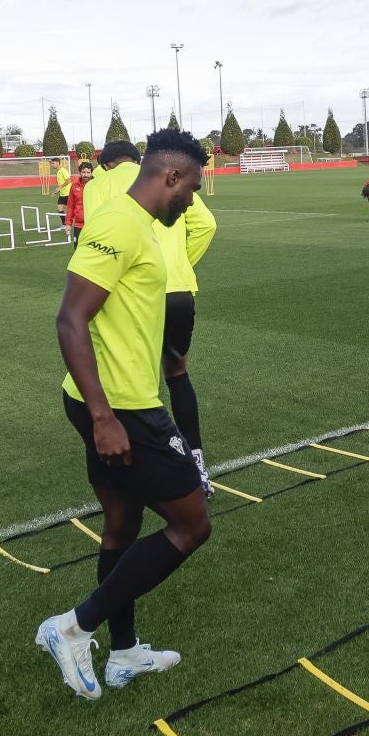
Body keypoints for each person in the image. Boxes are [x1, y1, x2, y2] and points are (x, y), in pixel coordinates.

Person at [35, 129, 215, 700]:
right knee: (192, 523)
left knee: (122, 525)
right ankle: (73, 628)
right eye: (192, 187)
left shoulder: (141, 226)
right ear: (171, 177)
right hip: (119, 407)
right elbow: (70, 318)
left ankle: (125, 652)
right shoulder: (116, 222)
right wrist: (103, 416)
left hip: (122, 398)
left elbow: (125, 311)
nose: (192, 200)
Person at [151, 167, 218, 492]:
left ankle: (151, 465)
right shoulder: (173, 185)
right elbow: (206, 224)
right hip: (180, 292)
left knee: (141, 382)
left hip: (143, 292)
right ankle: (198, 467)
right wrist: (182, 263)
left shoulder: (125, 188)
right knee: (177, 374)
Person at [80, 141, 142, 217]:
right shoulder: (159, 178)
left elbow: (93, 224)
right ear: (137, 162)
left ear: (106, 166)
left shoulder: (94, 186)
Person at [67, 161, 95, 241]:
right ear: (80, 173)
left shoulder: (97, 185)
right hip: (79, 225)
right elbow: (70, 206)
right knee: (78, 250)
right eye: (83, 172)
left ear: (91, 173)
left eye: (88, 172)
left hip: (94, 224)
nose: (85, 175)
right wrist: (68, 224)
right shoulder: (74, 186)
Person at [56, 156, 73, 228]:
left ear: (57, 163)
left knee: (73, 210)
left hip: (68, 193)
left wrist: (60, 187)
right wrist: (58, 190)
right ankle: (64, 224)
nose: (51, 165)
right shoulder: (58, 172)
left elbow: (68, 180)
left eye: (53, 163)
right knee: (59, 208)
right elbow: (61, 183)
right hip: (63, 194)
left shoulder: (63, 170)